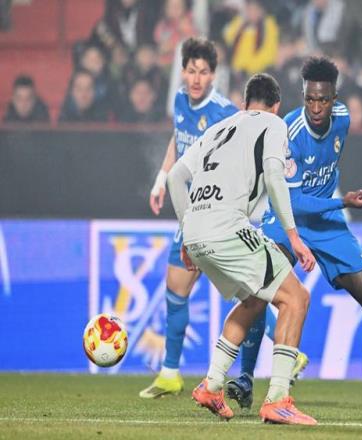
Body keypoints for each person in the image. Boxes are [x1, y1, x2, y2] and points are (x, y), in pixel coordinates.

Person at [229, 56, 362, 416]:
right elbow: (293, 200)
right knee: (259, 290)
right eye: (310, 99)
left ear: (334, 99)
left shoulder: (343, 120)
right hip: (287, 219)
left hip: (327, 222)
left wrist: (336, 204)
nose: (316, 108)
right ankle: (246, 378)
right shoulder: (290, 132)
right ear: (303, 96)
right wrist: (342, 201)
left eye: (323, 100)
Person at [167, 72, 317, 425]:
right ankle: (278, 399)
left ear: (243, 103)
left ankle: (211, 384)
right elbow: (275, 176)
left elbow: (175, 177)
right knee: (296, 298)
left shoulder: (218, 128)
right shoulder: (274, 124)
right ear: (276, 106)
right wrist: (293, 236)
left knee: (253, 301)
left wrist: (186, 234)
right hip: (227, 226)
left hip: (197, 229)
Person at [139, 37, 239, 399]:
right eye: (192, 71)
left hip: (214, 215)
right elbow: (178, 141)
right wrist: (161, 180)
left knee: (247, 291)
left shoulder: (226, 113)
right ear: (183, 72)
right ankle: (170, 374)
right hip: (189, 216)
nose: (196, 78)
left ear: (214, 76)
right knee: (176, 291)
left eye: (204, 72)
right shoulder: (180, 100)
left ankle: (286, 343)